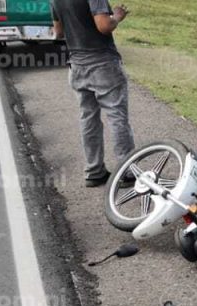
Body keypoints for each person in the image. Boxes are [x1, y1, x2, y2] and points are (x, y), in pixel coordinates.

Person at [52, 0, 136, 187]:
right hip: (103, 64)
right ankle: (127, 172)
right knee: (117, 117)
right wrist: (117, 17)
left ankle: (94, 171)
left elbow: (58, 32)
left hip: (77, 66)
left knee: (88, 118)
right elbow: (104, 26)